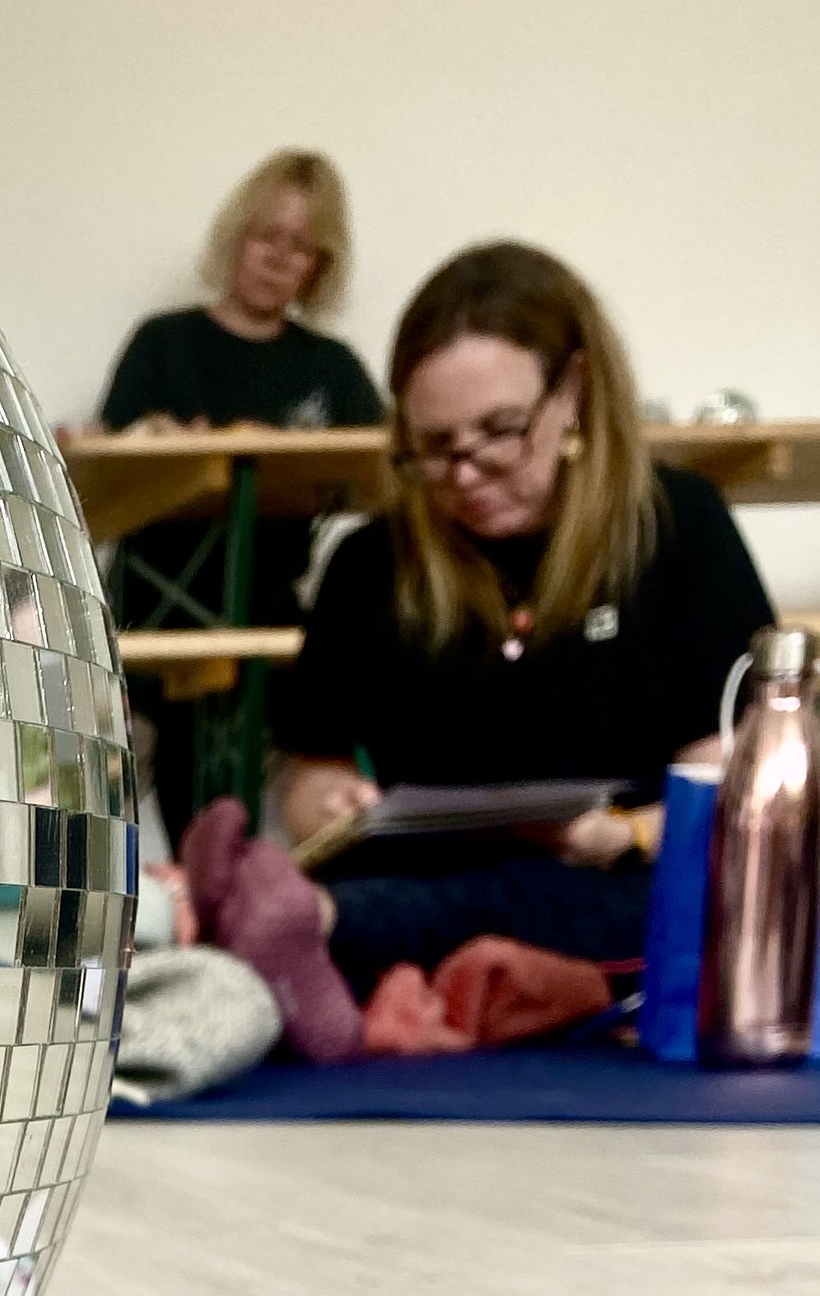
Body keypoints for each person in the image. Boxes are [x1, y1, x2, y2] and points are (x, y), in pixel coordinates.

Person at [193, 242, 776, 1059]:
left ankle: (308, 935)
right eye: (433, 447)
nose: (464, 474)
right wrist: (328, 803)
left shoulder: (679, 526)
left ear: (572, 392)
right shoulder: (369, 563)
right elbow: (309, 771)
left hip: (615, 883)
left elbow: (731, 784)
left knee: (649, 905)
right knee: (409, 890)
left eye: (500, 433)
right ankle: (324, 949)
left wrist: (630, 832)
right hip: (420, 866)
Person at [95, 151, 383, 833]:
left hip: (269, 623)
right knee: (108, 793)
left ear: (320, 266)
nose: (278, 258)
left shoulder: (332, 369)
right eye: (266, 236)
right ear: (236, 237)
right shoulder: (163, 343)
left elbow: (380, 476)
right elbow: (110, 465)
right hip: (156, 621)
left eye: (301, 247)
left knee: (295, 794)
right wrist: (165, 439)